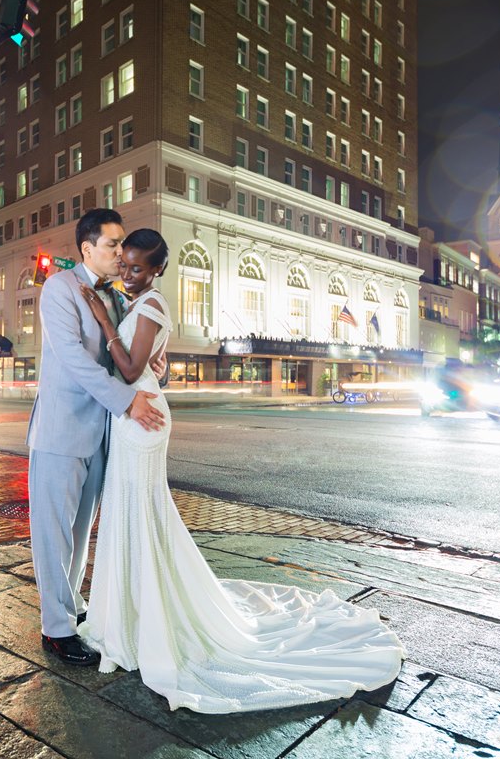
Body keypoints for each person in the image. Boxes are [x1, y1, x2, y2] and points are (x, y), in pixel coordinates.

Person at [77, 228, 406, 714]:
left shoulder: (147, 306)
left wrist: (105, 323)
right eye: (123, 265)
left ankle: (141, 616)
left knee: (139, 512)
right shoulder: (142, 305)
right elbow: (146, 366)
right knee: (134, 513)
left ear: (158, 270)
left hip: (140, 420)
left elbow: (128, 371)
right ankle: (131, 610)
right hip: (134, 416)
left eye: (138, 268)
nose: (128, 274)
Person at [26, 208, 166, 667]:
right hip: (61, 430)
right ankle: (56, 629)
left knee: (81, 530)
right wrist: (127, 402)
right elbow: (73, 359)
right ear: (87, 249)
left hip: (104, 435)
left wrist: (152, 370)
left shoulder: (122, 296)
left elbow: (126, 357)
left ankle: (73, 608)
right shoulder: (59, 289)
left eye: (124, 244)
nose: (122, 252)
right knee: (53, 532)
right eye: (113, 245)